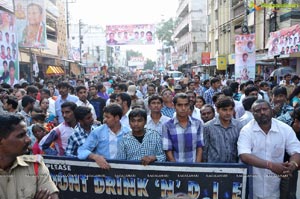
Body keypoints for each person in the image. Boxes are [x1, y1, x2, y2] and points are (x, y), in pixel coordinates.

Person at [237, 99, 300, 199]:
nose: (262, 112)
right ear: (252, 114)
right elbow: (244, 155)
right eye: (257, 110)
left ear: (271, 110)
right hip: (252, 187)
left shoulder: (284, 129)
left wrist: (293, 165)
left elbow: (296, 151)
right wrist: (270, 165)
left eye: (265, 109)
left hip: (276, 188)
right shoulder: (246, 130)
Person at [0, 113, 59, 198]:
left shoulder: (35, 165)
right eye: (21, 135)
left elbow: (53, 196)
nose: (28, 140)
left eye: (27, 134)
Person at [78, 104, 130, 169]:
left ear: (117, 118)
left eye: (107, 117)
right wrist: (95, 157)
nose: (104, 120)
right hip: (102, 171)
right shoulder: (97, 132)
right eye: (104, 117)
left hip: (123, 171)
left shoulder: (128, 132)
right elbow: (81, 150)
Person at [162, 93, 203, 163]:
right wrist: (177, 168)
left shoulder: (198, 123)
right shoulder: (167, 126)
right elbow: (168, 150)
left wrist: (196, 166)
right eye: (179, 105)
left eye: (186, 105)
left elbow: (200, 147)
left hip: (194, 166)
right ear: (174, 106)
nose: (183, 108)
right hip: (176, 167)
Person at [202, 96, 241, 163]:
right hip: (214, 168)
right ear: (217, 110)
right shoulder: (208, 127)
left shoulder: (238, 125)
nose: (228, 113)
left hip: (234, 167)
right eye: (224, 110)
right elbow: (205, 150)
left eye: (230, 109)